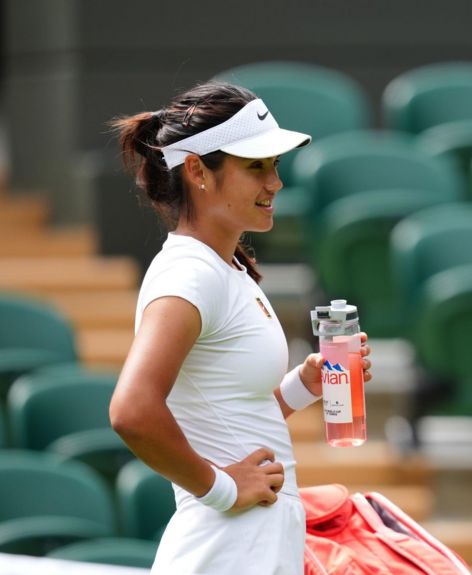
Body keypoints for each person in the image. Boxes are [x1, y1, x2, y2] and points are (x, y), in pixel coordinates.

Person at [109, 82, 373, 574]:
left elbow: (230, 417)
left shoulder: (223, 268)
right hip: (227, 549)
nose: (274, 183)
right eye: (256, 167)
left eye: (274, 166)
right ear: (196, 171)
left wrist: (303, 385)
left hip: (251, 543)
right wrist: (223, 489)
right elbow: (131, 410)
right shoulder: (191, 273)